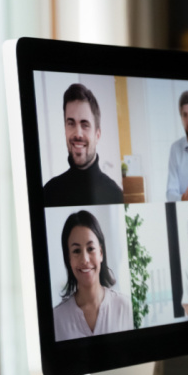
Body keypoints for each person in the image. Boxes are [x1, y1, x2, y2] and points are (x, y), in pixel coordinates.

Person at [52, 210, 133, 340]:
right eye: (76, 251)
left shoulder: (125, 306)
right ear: (68, 259)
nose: (85, 259)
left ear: (101, 253)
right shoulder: (56, 319)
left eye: (90, 249)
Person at [42, 83, 124, 206]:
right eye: (71, 123)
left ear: (97, 135)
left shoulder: (115, 195)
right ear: (65, 129)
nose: (78, 134)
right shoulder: (48, 192)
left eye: (85, 125)